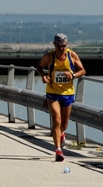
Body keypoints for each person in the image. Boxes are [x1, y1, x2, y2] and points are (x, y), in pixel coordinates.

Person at [36, 33, 86, 162]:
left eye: (63, 46)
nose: (61, 48)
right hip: (53, 93)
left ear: (66, 45)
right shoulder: (49, 56)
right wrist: (43, 76)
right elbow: (39, 67)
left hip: (68, 93)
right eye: (58, 46)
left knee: (64, 124)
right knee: (56, 119)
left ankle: (61, 134)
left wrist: (73, 75)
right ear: (54, 45)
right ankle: (58, 150)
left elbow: (82, 71)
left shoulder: (72, 55)